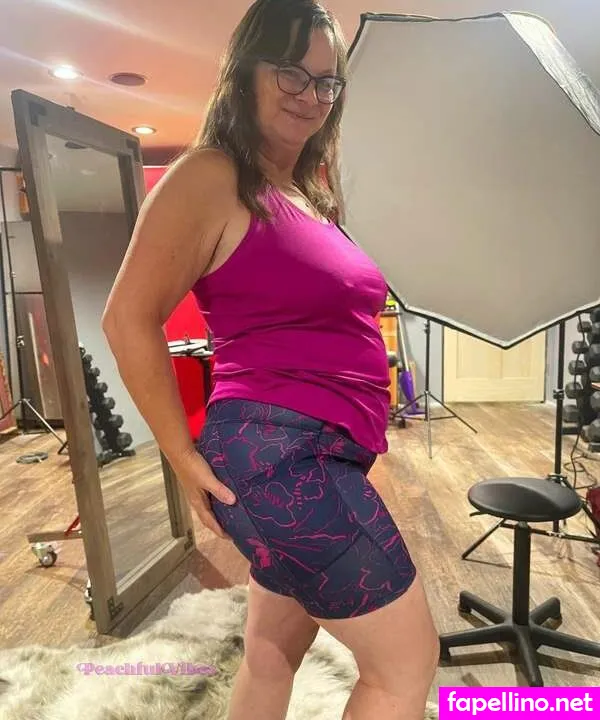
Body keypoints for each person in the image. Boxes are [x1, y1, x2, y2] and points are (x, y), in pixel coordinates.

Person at [102, 0, 439, 718]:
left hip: (313, 451)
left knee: (271, 652)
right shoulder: (211, 174)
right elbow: (126, 318)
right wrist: (181, 455)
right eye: (291, 72)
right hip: (283, 455)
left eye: (327, 82)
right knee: (404, 666)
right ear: (244, 72)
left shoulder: (304, 194)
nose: (310, 95)